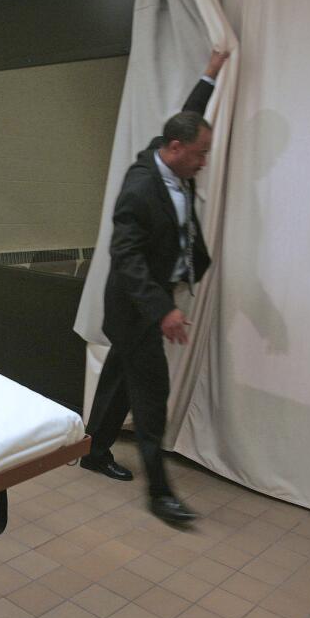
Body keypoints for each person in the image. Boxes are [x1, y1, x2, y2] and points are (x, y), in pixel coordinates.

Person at [81, 49, 229, 524]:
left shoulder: (175, 157)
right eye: (200, 154)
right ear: (174, 148)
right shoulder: (141, 187)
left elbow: (189, 119)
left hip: (145, 304)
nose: (204, 163)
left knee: (119, 378)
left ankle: (94, 448)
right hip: (135, 306)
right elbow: (125, 257)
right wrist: (162, 309)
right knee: (151, 395)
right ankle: (160, 493)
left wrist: (209, 74)